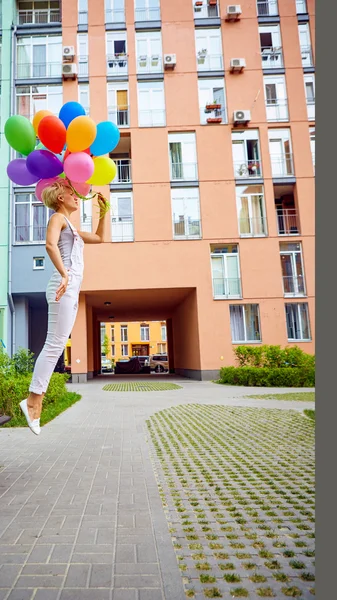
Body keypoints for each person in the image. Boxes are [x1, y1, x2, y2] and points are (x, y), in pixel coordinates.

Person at [19, 181, 108, 435]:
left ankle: (34, 401)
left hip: (69, 287)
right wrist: (64, 275)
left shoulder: (74, 229)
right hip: (62, 285)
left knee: (56, 344)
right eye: (72, 191)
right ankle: (34, 402)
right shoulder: (57, 218)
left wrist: (103, 211)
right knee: (54, 345)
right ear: (60, 196)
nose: (78, 195)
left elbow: (100, 238)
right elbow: (49, 245)